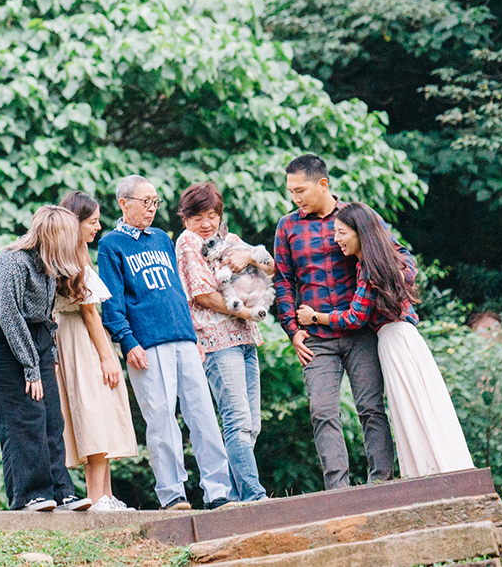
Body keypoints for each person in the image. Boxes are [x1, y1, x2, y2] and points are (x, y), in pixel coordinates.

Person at [296, 202, 475, 478]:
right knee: (418, 405)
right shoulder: (386, 261)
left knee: (411, 406)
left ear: (360, 232)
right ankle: (435, 469)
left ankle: (429, 473)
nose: (336, 240)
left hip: (394, 340)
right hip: (404, 338)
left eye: (342, 232)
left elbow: (355, 317)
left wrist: (315, 317)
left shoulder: (369, 269)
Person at [97, 175, 233, 511]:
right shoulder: (111, 245)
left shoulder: (160, 238)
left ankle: (219, 492)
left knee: (203, 415)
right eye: (145, 202)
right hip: (146, 344)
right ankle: (173, 495)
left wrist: (193, 333)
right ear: (123, 203)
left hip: (183, 338)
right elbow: (111, 302)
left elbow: (177, 291)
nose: (152, 208)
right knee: (161, 420)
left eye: (155, 202)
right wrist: (128, 342)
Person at [272, 154, 395, 489]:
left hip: (359, 331)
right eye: (291, 192)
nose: (295, 199)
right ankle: (338, 490)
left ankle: (381, 482)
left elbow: (392, 255)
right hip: (316, 338)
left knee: (371, 407)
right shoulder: (288, 226)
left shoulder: (356, 217)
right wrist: (292, 331)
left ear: (322, 184)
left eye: (300, 191)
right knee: (322, 411)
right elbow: (283, 281)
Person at [0, 205, 92, 511]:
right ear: (54, 237)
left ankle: (60, 490)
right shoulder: (11, 263)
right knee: (23, 417)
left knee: (52, 416)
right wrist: (31, 368)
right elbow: (10, 317)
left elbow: (45, 317)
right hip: (1, 343)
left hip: (36, 338)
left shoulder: (48, 266)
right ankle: (29, 495)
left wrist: (47, 355)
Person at [173, 181, 267, 502]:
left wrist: (247, 256)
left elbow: (269, 265)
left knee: (252, 423)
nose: (206, 224)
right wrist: (245, 310)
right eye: (198, 216)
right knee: (237, 419)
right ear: (185, 218)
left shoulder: (227, 238)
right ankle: (253, 496)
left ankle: (245, 496)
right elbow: (202, 293)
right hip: (217, 340)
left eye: (212, 215)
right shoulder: (187, 242)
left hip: (245, 337)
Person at [53, 192, 139, 512]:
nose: (98, 227)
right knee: (94, 414)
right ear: (75, 224)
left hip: (76, 337)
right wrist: (107, 357)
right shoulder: (73, 259)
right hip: (82, 339)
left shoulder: (72, 255)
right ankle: (98, 497)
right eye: (92, 222)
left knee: (98, 413)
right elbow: (90, 313)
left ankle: (105, 494)